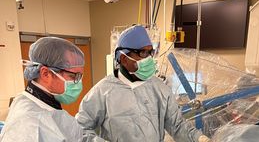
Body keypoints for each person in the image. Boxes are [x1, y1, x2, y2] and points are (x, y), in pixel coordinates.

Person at [76, 25, 210, 142]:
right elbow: (80, 129)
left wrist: (199, 138)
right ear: (123, 58)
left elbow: (177, 125)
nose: (149, 58)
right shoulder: (101, 92)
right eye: (142, 53)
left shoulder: (160, 89)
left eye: (150, 52)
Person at [0, 37, 101, 142]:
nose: (78, 83)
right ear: (45, 74)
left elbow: (76, 136)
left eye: (79, 77)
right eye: (72, 76)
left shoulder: (44, 105)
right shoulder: (28, 124)